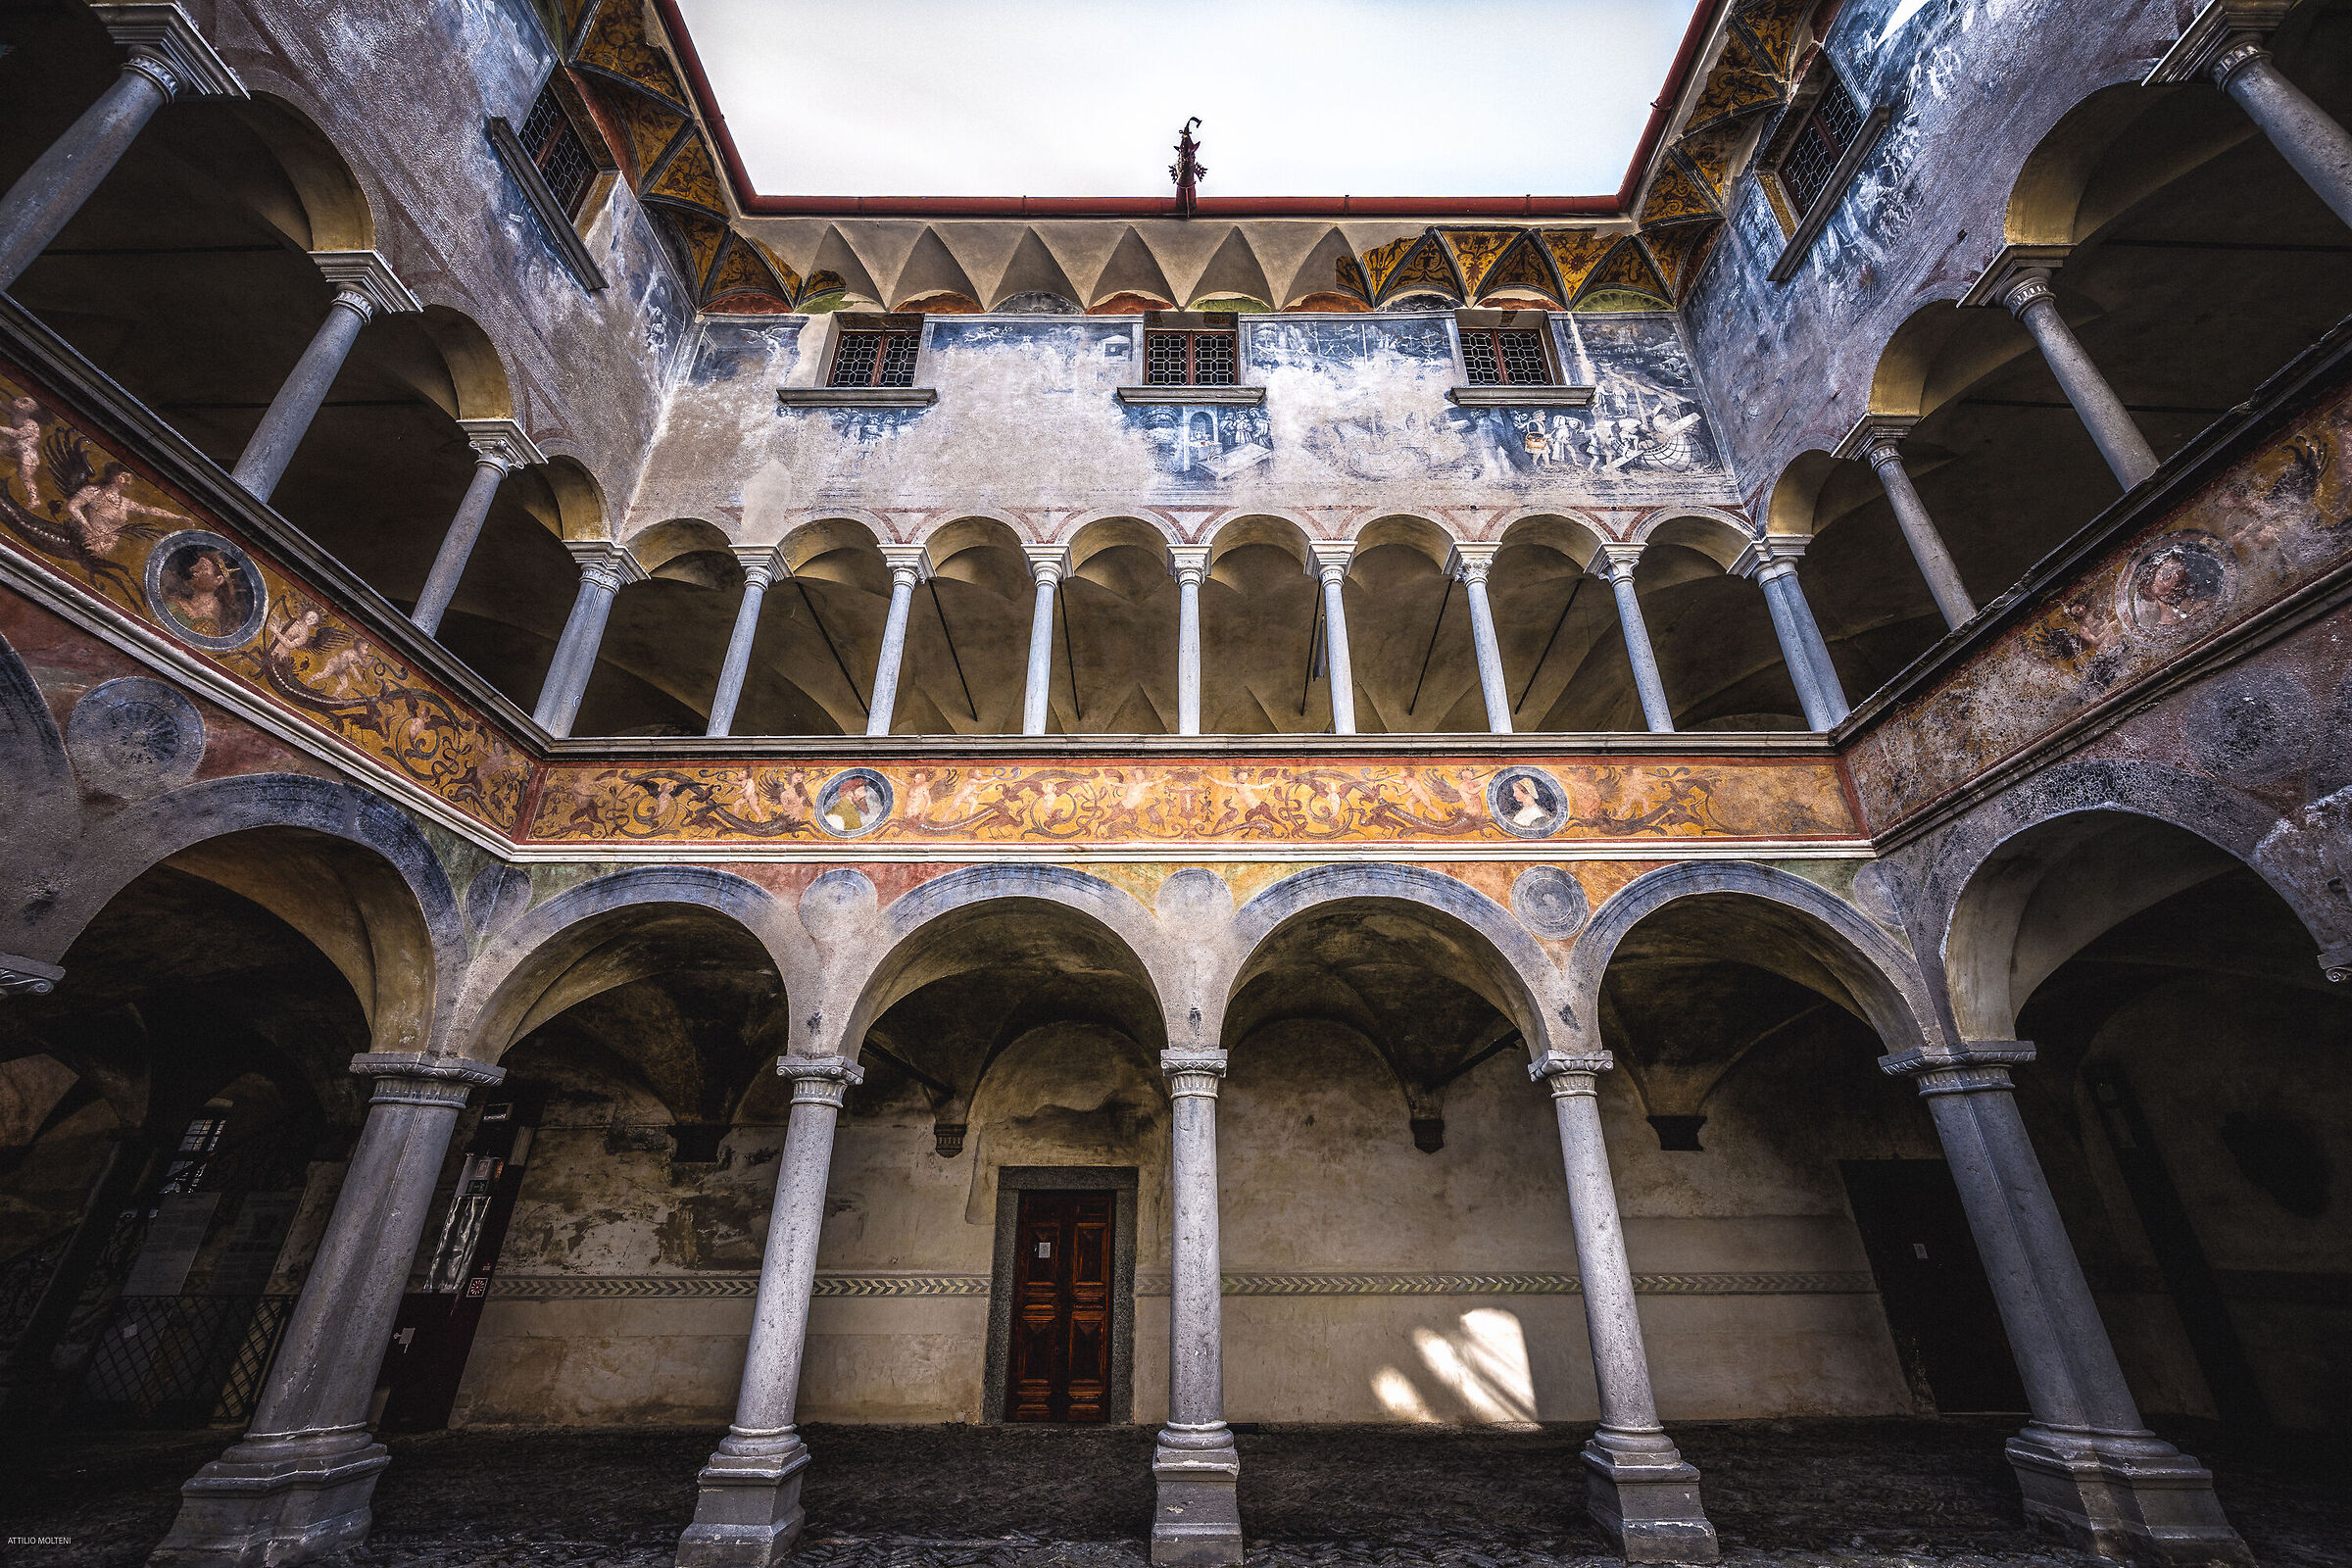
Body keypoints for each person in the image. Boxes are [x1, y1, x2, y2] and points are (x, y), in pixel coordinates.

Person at [68, 465, 185, 555]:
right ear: (114, 476)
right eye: (125, 477)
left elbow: (150, 510)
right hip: (89, 542)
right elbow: (72, 506)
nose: (129, 482)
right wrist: (90, 529)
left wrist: (177, 517)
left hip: (105, 549)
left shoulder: (125, 502)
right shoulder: (94, 491)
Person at [163, 547, 246, 637]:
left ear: (218, 580)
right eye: (196, 565)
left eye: (203, 567)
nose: (193, 569)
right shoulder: (176, 601)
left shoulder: (209, 624)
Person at [1, 396, 41, 504]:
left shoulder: (31, 424)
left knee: (25, 476)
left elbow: (17, 434)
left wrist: (1, 428)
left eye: (23, 402)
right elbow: (4, 407)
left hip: (27, 454)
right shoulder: (15, 415)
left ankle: (34, 499)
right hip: (14, 448)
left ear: (30, 409)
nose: (16, 401)